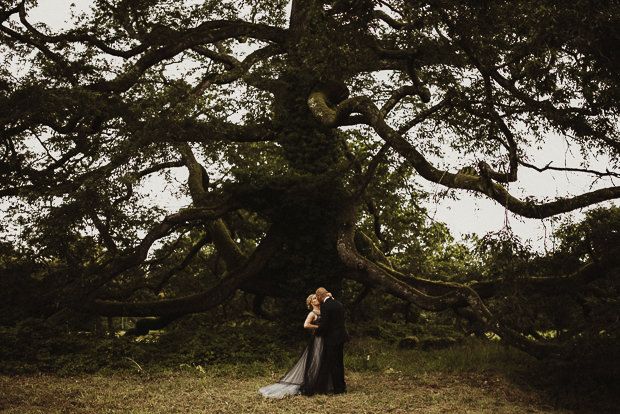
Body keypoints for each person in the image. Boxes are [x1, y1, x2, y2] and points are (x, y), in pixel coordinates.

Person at [258, 294, 325, 398]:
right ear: (311, 303)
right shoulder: (312, 313)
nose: (316, 299)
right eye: (314, 298)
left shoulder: (324, 311)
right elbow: (306, 325)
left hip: (325, 339)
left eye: (317, 297)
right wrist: (318, 327)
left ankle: (320, 384)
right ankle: (311, 383)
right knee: (315, 360)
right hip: (317, 340)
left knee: (323, 360)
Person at [313, 286, 350, 395]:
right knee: (339, 362)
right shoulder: (338, 303)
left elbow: (325, 324)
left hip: (332, 338)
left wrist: (317, 332)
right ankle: (342, 387)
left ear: (319, 296)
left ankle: (337, 389)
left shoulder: (325, 306)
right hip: (341, 337)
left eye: (317, 297)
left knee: (333, 363)